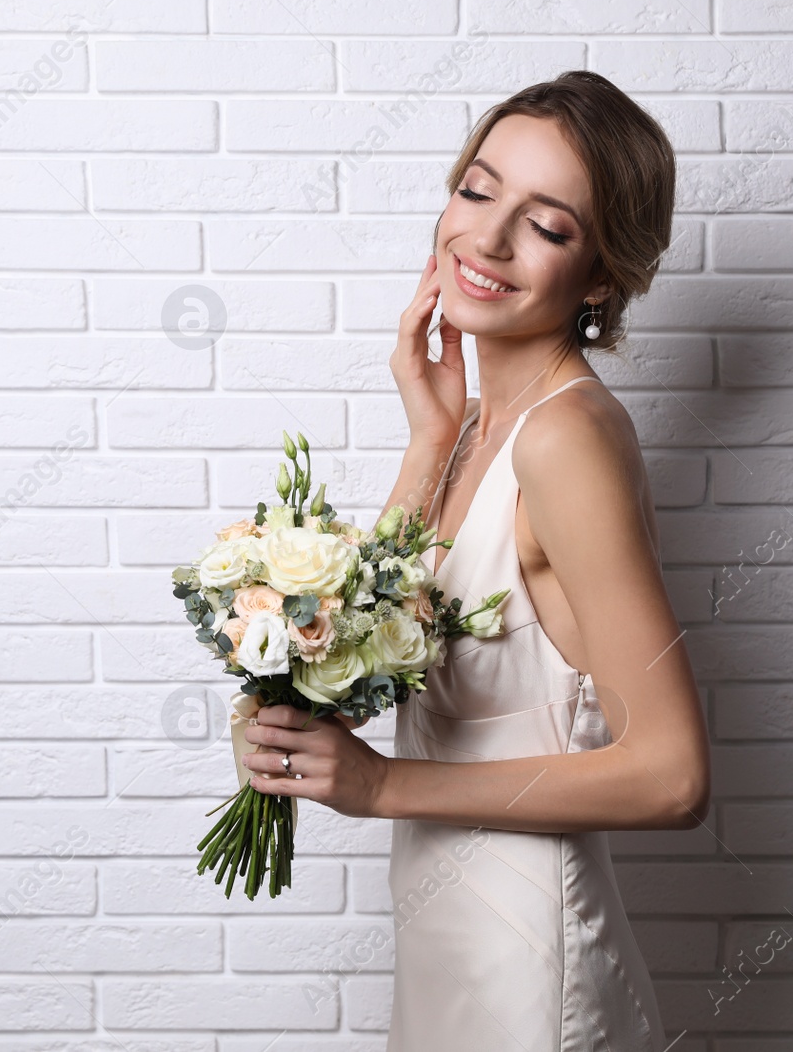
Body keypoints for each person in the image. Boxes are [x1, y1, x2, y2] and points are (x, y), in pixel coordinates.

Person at [239, 70, 710, 1050]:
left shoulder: (562, 440)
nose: (486, 240)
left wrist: (379, 788)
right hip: (450, 932)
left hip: (524, 955)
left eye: (546, 224)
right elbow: (357, 674)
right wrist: (428, 436)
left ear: (599, 276)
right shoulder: (478, 429)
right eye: (478, 189)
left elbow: (670, 774)